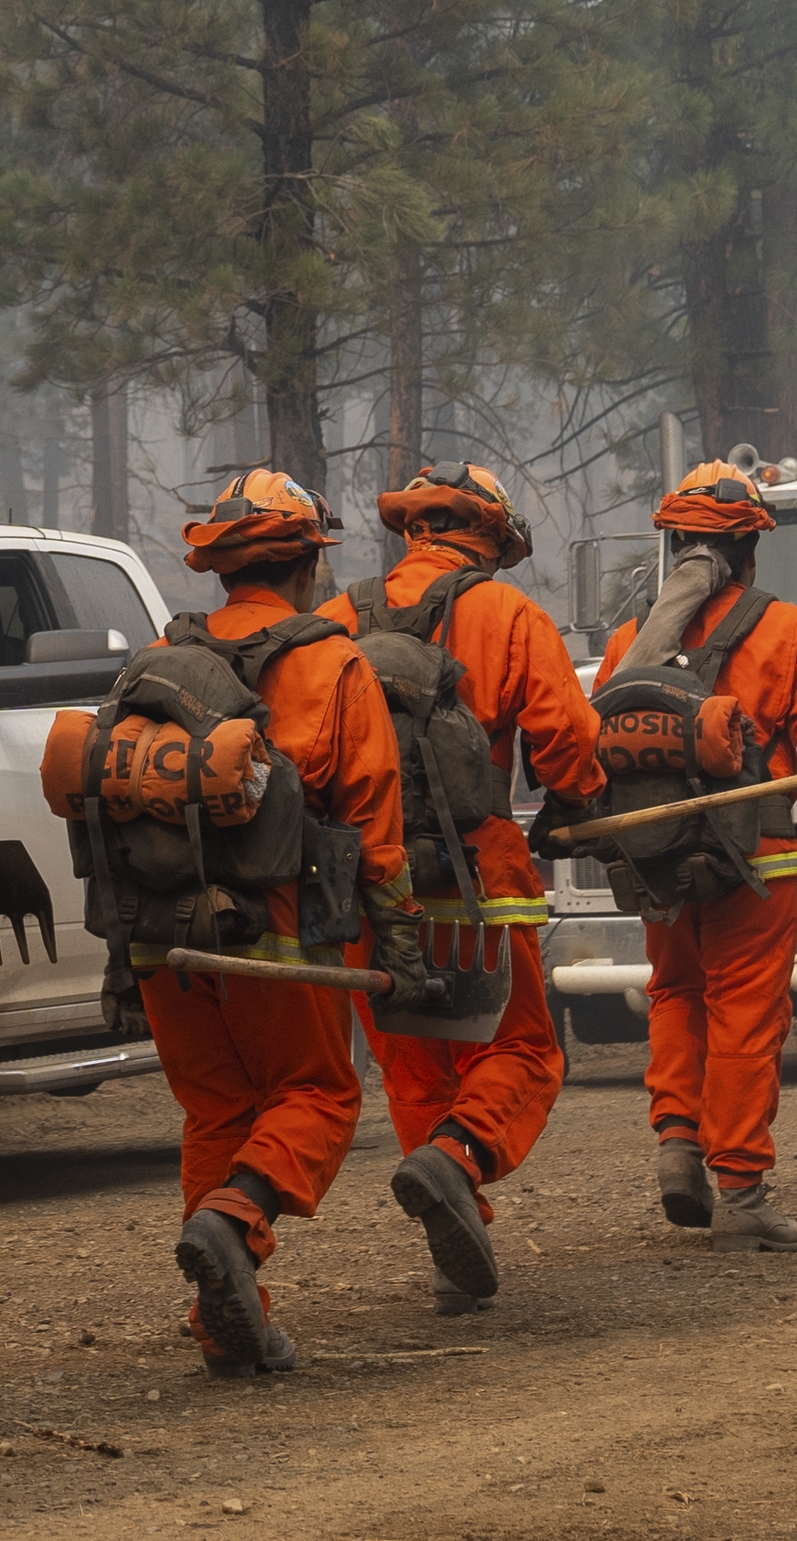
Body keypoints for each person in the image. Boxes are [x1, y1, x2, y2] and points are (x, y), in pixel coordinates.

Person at [148, 468, 414, 1376]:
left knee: (218, 1105)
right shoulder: (334, 660)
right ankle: (234, 1220)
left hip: (163, 933)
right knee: (318, 1094)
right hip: (277, 926)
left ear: (221, 570)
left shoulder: (159, 654)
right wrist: (403, 938)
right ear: (305, 564)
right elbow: (374, 820)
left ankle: (228, 1314)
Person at [334, 462, 606, 1313]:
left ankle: (455, 1239)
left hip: (370, 883)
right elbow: (564, 737)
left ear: (411, 529)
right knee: (520, 1050)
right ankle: (456, 1164)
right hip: (479, 879)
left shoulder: (338, 617)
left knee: (417, 1066)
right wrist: (576, 801)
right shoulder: (507, 611)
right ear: (489, 535)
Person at [593, 465, 797, 1249]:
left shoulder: (626, 643)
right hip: (760, 857)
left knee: (676, 991)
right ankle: (741, 1186)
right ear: (749, 551)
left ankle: (679, 1144)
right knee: (746, 1012)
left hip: (654, 854)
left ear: (674, 545)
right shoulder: (792, 632)